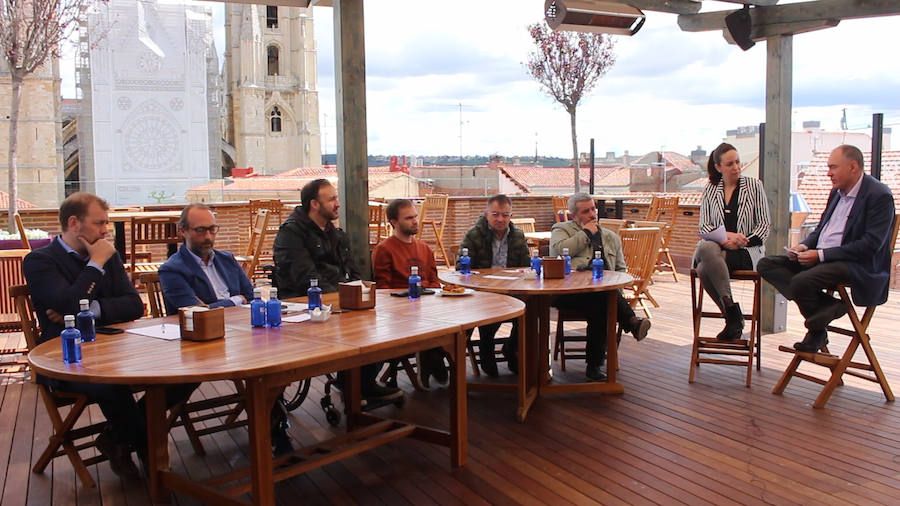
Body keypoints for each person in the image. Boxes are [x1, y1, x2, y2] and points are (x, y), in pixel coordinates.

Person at [23, 192, 195, 479]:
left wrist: (88, 308)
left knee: (187, 372)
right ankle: (156, 470)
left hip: (117, 348)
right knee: (112, 387)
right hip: (66, 359)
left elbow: (134, 305)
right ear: (74, 222)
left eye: (107, 222)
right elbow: (67, 307)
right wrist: (95, 264)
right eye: (99, 222)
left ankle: (115, 438)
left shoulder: (107, 254)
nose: (105, 230)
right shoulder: (40, 261)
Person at [158, 204, 292, 455]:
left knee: (280, 359)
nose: (208, 236)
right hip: (202, 346)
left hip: (243, 336)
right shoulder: (172, 269)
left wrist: (233, 301)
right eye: (200, 231)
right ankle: (274, 429)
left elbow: (251, 296)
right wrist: (234, 300)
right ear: (183, 231)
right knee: (264, 367)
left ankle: (274, 423)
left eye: (212, 229)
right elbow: (198, 312)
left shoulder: (227, 260)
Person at [273, 179, 401, 402]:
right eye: (331, 199)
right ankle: (355, 385)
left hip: (341, 303)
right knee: (361, 325)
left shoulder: (336, 233)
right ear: (314, 204)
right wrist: (345, 298)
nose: (337, 203)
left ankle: (361, 382)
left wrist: (362, 294)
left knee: (383, 325)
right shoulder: (290, 233)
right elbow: (307, 279)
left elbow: (353, 271)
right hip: (305, 308)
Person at [758, 145, 895, 352]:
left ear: (853, 167)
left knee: (801, 281)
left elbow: (870, 246)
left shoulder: (879, 195)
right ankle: (827, 308)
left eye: (833, 167)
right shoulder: (836, 193)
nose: (828, 173)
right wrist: (804, 246)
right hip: (824, 259)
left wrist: (820, 255)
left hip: (856, 264)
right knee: (767, 264)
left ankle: (817, 330)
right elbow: (822, 228)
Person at [549, 193, 651, 381]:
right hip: (569, 293)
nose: (592, 214)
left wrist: (616, 294)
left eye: (593, 209)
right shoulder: (561, 229)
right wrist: (586, 233)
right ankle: (630, 323)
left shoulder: (611, 237)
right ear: (573, 215)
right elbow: (557, 250)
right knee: (603, 298)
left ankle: (595, 365)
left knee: (602, 301)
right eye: (586, 211)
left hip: (602, 294)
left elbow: (620, 269)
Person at [693, 143, 770, 341]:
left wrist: (741, 241)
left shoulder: (754, 186)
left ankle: (731, 317)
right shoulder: (710, 190)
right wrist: (728, 236)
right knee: (708, 248)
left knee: (703, 268)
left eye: (737, 162)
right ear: (719, 167)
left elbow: (764, 226)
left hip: (746, 251)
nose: (736, 167)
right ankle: (732, 314)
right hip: (716, 251)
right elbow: (704, 227)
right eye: (730, 164)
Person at [372, 198, 449, 388]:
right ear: (394, 222)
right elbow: (383, 289)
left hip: (429, 306)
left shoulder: (424, 248)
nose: (415, 221)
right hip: (400, 312)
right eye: (409, 218)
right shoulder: (384, 249)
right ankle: (433, 358)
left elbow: (434, 280)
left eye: (415, 216)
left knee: (458, 324)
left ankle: (433, 356)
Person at [456, 194, 530, 376]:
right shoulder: (474, 234)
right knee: (488, 314)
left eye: (505, 215)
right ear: (486, 214)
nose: (500, 219)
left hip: (512, 289)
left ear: (510, 216)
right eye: (495, 214)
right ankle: (486, 352)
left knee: (529, 312)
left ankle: (511, 348)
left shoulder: (518, 235)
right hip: (483, 291)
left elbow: (527, 266)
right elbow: (461, 267)